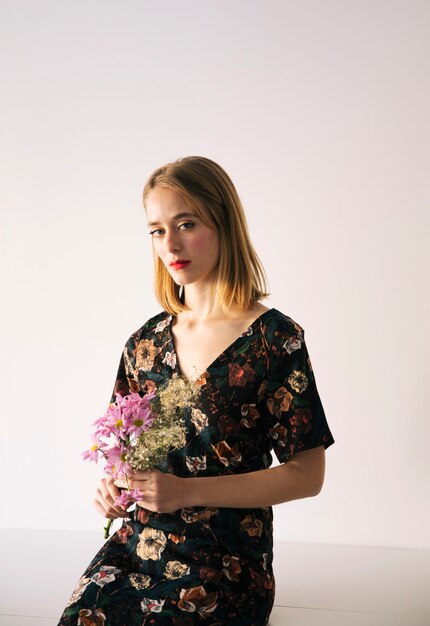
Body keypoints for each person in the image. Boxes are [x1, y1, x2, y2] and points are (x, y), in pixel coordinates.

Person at [57, 156, 335, 626]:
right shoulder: (143, 345)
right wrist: (114, 491)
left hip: (225, 562)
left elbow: (308, 475)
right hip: (136, 549)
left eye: (187, 224)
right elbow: (128, 459)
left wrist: (186, 492)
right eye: (157, 230)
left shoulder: (274, 340)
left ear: (223, 222)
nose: (171, 244)